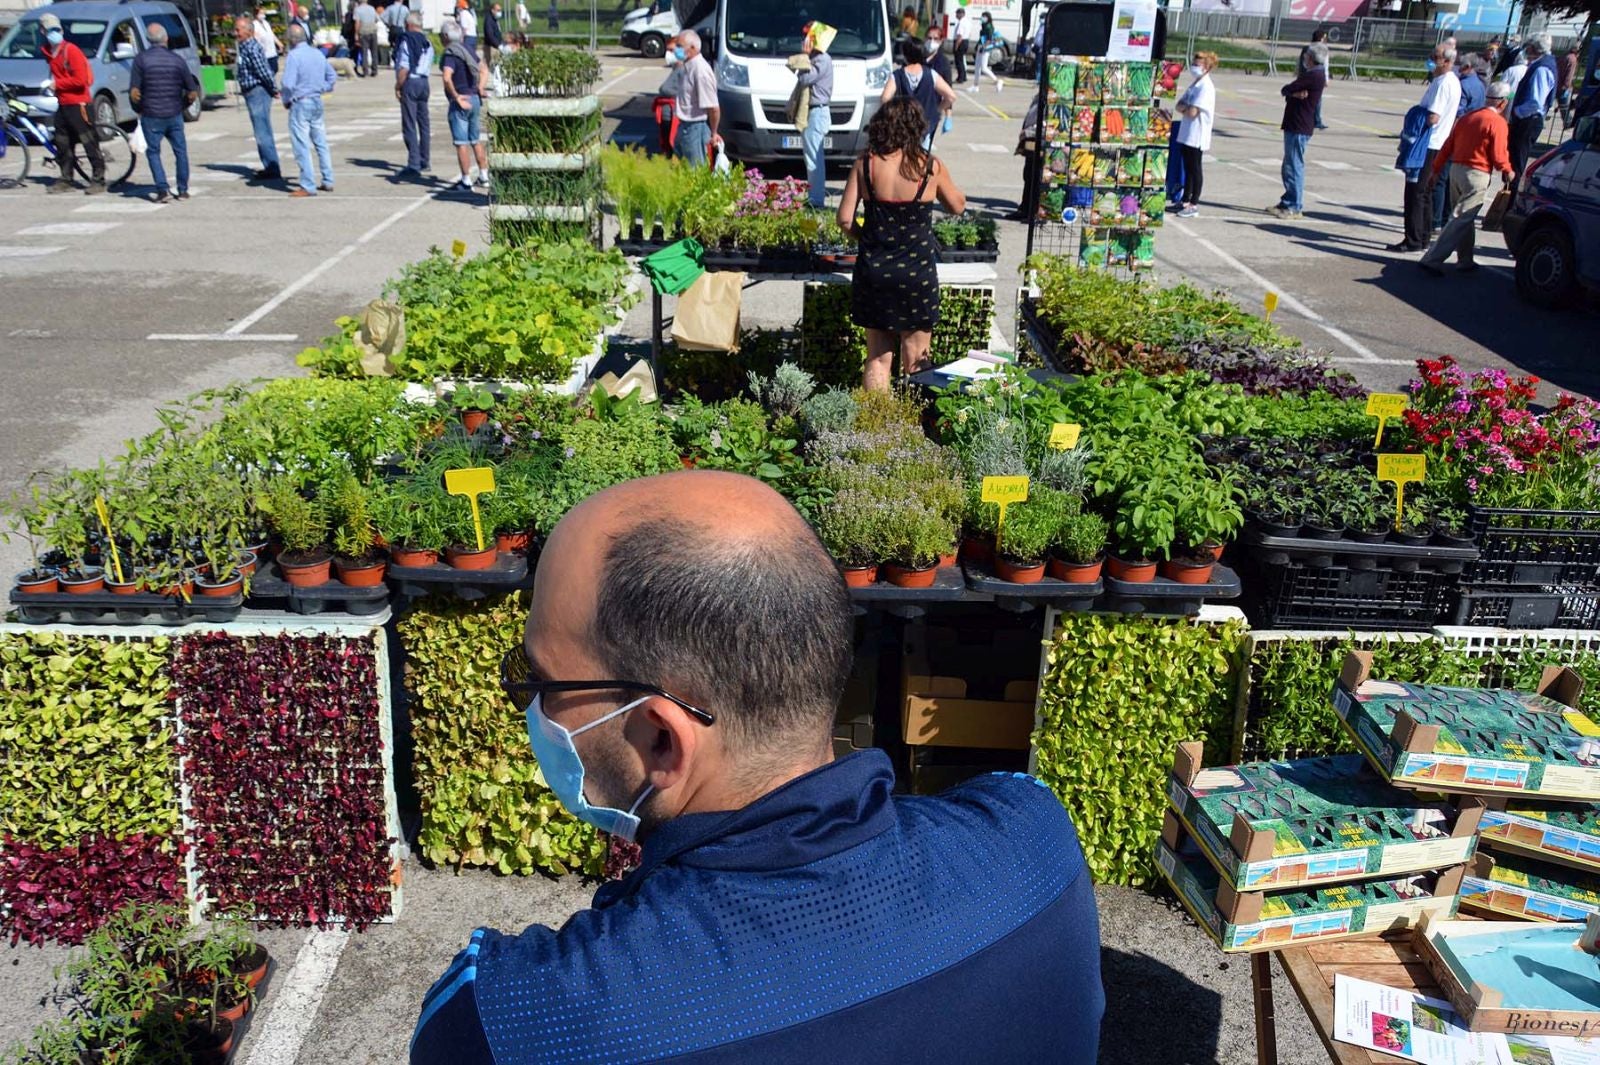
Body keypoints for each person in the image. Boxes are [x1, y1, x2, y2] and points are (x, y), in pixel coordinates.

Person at [408, 470, 1104, 1064]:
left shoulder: (516, 1023)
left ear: (661, 741)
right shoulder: (1034, 839)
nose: (531, 706)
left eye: (539, 683)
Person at [838, 96, 965, 390]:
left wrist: (867, 238)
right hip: (916, 272)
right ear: (917, 128)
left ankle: (877, 429)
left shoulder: (865, 163)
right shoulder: (930, 166)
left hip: (875, 270)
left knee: (878, 358)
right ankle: (918, 426)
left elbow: (844, 219)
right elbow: (957, 206)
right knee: (917, 359)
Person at [1420, 80, 1514, 275]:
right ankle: (1432, 259)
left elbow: (1448, 145)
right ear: (1503, 103)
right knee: (1461, 218)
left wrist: (1435, 169)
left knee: (1464, 218)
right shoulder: (1498, 122)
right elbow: (1498, 155)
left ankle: (1465, 259)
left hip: (1456, 170)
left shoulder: (1468, 117)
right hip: (1476, 174)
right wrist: (1507, 170)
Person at [1388, 44, 1458, 252]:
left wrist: (1415, 117)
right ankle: (1423, 237)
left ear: (1446, 61)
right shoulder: (1447, 81)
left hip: (1429, 144)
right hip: (1437, 144)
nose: (1431, 60)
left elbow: (1433, 117)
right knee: (1425, 193)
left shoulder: (1443, 83)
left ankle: (1414, 239)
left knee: (1416, 193)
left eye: (1434, 57)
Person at [130, 22, 199, 204]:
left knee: (153, 152)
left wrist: (139, 110)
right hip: (174, 113)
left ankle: (162, 189)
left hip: (151, 114)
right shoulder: (178, 60)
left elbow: (134, 92)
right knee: (180, 151)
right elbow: (192, 91)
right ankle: (183, 190)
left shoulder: (141, 60)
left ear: (147, 39)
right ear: (166, 38)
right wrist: (182, 105)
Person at [37, 12, 104, 194]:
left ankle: (98, 179)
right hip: (63, 103)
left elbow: (81, 80)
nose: (54, 33)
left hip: (79, 103)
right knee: (62, 143)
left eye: (56, 29)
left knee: (89, 142)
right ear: (42, 31)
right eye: (50, 29)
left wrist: (57, 84)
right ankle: (66, 178)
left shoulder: (71, 50)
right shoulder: (49, 52)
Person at [1270, 43, 1325, 219]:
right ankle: (1288, 200)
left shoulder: (1314, 75)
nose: (1304, 59)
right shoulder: (1312, 75)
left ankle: (1294, 205)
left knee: (1294, 166)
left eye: (1306, 56)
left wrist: (1290, 92)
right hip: (1294, 124)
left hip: (1299, 126)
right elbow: (1288, 90)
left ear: (1311, 58)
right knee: (1289, 165)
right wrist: (1292, 93)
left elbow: (1286, 89)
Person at [282, 23, 336, 196]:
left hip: (301, 102)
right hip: (316, 100)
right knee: (321, 142)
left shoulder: (294, 56)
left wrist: (286, 99)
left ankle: (307, 184)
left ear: (291, 40)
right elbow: (332, 76)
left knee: (301, 144)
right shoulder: (317, 53)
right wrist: (323, 87)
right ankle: (328, 179)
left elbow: (288, 83)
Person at [882, 35, 955, 147]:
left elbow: (885, 98)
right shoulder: (931, 74)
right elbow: (951, 97)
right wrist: (937, 109)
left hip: (903, 126)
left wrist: (895, 113)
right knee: (922, 158)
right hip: (924, 125)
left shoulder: (897, 75)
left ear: (905, 55)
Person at [441, 20, 490, 189]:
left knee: (461, 143)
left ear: (446, 36)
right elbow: (484, 69)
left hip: (461, 101)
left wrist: (455, 96)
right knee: (475, 140)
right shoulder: (468, 49)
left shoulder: (450, 54)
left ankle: (466, 179)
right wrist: (480, 87)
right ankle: (484, 176)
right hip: (475, 98)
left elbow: (447, 77)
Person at [234, 16, 282, 183]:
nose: (236, 33)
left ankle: (272, 168)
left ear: (248, 31)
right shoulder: (245, 46)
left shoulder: (252, 47)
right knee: (260, 130)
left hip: (258, 92)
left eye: (238, 30)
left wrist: (274, 89)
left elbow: (263, 71)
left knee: (262, 132)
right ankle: (268, 165)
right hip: (252, 92)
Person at [1508, 34, 1556, 196]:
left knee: (1517, 163)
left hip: (1528, 121)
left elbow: (1535, 102)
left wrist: (1516, 112)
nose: (1526, 50)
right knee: (1515, 161)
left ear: (1533, 48)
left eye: (1528, 47)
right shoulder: (1543, 65)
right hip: (1530, 120)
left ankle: (1510, 201)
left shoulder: (1541, 69)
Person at [793, 22, 834, 209]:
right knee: (811, 156)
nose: (804, 41)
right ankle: (814, 197)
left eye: (807, 37)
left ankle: (816, 201)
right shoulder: (818, 58)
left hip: (817, 112)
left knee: (814, 159)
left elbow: (804, 79)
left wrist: (804, 56)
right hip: (815, 112)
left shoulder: (821, 60)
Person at [1173, 51, 1217, 218]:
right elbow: (1179, 106)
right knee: (1187, 167)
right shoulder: (1195, 84)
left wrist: (1186, 108)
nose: (1194, 67)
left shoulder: (1206, 87)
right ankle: (1184, 200)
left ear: (1206, 67)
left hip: (1197, 133)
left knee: (1195, 168)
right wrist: (1185, 108)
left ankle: (1193, 204)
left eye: (1197, 65)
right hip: (1187, 132)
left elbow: (1192, 111)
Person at [395, 11, 433, 176]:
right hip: (424, 82)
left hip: (411, 82)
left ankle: (413, 163)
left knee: (409, 123)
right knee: (424, 123)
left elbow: (404, 67)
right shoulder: (428, 42)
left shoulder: (407, 41)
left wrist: (398, 85)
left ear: (409, 25)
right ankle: (425, 160)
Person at [672, 30, 719, 166]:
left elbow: (713, 107)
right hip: (685, 125)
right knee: (683, 168)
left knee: (695, 170)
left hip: (695, 127)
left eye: (680, 46)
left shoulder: (700, 70)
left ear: (692, 48)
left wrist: (714, 133)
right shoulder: (688, 65)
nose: (677, 50)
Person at [1302, 28, 1330, 131]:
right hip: (1318, 74)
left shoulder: (1308, 47)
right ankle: (1317, 121)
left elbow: (1303, 63)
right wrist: (1326, 78)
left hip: (1307, 74)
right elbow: (1325, 64)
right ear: (1321, 38)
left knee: (1305, 97)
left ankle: (1309, 119)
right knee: (1317, 99)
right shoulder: (1323, 48)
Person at [968, 12, 1003, 93]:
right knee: (977, 68)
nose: (982, 18)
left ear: (988, 18)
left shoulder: (989, 27)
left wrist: (983, 47)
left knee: (984, 68)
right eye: (982, 16)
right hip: (981, 46)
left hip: (985, 48)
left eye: (984, 16)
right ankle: (975, 86)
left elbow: (989, 39)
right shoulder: (984, 25)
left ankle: (997, 81)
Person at [254, 6, 282, 74]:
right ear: (256, 14)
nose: (263, 15)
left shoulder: (266, 23)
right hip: (264, 52)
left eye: (264, 13)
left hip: (272, 51)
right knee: (267, 71)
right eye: (261, 13)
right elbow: (255, 38)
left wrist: (279, 43)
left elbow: (271, 34)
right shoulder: (254, 24)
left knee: (275, 69)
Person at [353, 0, 378, 75]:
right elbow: (376, 19)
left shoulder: (357, 10)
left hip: (363, 32)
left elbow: (357, 23)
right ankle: (374, 70)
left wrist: (356, 34)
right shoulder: (372, 8)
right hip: (373, 31)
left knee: (364, 52)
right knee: (374, 52)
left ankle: (365, 71)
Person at [1559, 44, 1580, 125]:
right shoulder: (1573, 59)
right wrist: (1567, 87)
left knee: (1563, 107)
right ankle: (1568, 123)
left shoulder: (1564, 57)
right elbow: (1569, 75)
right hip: (1564, 88)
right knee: (1565, 107)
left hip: (1557, 85)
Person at [950, 7, 969, 84]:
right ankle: (963, 76)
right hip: (966, 41)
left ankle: (960, 78)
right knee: (961, 60)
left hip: (960, 42)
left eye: (957, 13)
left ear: (961, 14)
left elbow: (959, 35)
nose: (956, 15)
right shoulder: (967, 21)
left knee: (959, 61)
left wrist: (956, 45)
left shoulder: (961, 23)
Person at [483, 2, 504, 66]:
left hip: (496, 46)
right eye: (498, 10)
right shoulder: (489, 20)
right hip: (491, 46)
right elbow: (490, 35)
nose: (499, 12)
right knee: (492, 64)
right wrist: (497, 45)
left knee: (497, 64)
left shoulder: (494, 19)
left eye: (500, 10)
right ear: (492, 10)